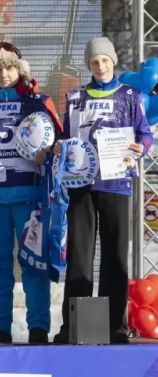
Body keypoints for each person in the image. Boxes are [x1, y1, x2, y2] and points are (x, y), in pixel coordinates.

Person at [53, 37, 153, 344]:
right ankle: (74, 325)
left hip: (116, 182)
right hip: (80, 184)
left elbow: (144, 134)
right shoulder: (75, 97)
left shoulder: (129, 95)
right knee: (79, 255)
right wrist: (58, 146)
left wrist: (141, 147)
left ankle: (115, 326)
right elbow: (64, 135)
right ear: (89, 65)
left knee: (115, 255)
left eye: (105, 61)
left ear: (113, 62)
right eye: (94, 62)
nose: (100, 67)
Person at [0, 42, 62, 344]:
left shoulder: (38, 103)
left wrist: (48, 152)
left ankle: (38, 327)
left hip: (28, 194)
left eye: (9, 67)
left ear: (19, 70)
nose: (3, 74)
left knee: (33, 262)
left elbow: (60, 142)